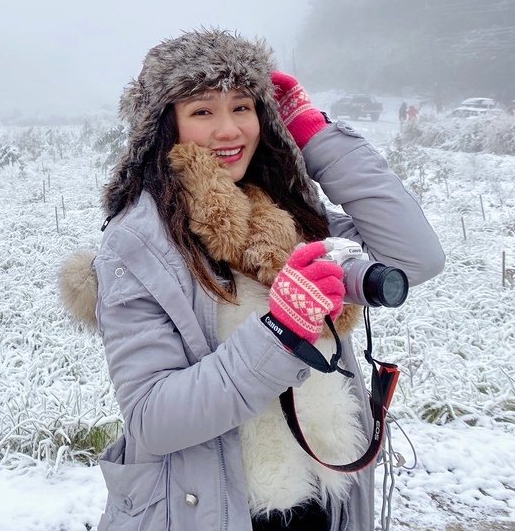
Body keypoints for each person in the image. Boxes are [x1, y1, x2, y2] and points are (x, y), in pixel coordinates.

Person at [59, 29, 444, 531]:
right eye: (202, 111)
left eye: (243, 107)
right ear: (164, 126)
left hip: (326, 500)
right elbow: (152, 419)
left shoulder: (287, 213)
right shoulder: (139, 244)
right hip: (220, 511)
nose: (229, 130)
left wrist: (313, 133)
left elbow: (416, 256)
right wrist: (282, 332)